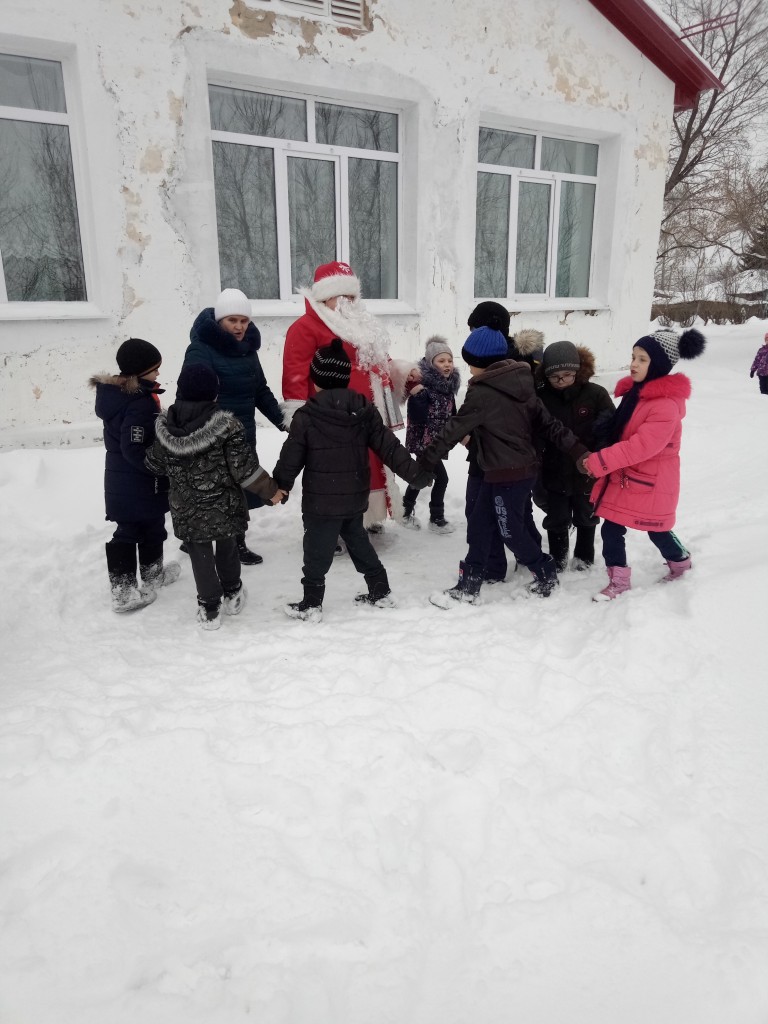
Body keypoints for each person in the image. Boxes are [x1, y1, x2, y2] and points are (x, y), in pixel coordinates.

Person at [418, 327, 589, 606]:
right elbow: (550, 425)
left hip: (512, 474)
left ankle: (545, 573)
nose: (468, 368)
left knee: (510, 530)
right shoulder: (521, 382)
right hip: (500, 471)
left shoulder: (482, 393)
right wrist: (578, 449)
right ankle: (469, 584)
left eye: (470, 362)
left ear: (479, 362)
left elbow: (452, 430)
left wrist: (426, 460)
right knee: (480, 525)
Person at [273, 338, 432, 622]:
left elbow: (290, 458)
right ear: (346, 378)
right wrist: (415, 474)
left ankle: (311, 604)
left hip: (321, 502)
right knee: (358, 542)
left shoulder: (306, 416)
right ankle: (380, 590)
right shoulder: (364, 410)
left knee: (316, 552)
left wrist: (280, 486)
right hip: (355, 496)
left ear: (315, 380)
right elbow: (389, 447)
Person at [145, 364, 286, 630]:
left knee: (199, 554)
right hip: (224, 505)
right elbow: (244, 469)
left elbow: (154, 463)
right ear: (214, 394)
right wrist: (271, 491)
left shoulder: (165, 428)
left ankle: (209, 607)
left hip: (186, 508)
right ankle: (232, 593)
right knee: (227, 546)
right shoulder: (227, 427)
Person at [581, 327, 706, 601]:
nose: (634, 364)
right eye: (633, 357)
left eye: (642, 359)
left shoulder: (665, 405)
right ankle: (618, 581)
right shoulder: (636, 394)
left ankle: (680, 563)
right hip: (628, 477)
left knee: (657, 528)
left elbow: (641, 446)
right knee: (611, 528)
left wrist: (601, 461)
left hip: (651, 481)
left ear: (658, 365)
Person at [281, 261, 404, 530]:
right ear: (325, 297)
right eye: (341, 295)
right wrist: (298, 415)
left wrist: (403, 373)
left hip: (366, 413)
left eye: (351, 296)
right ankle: (333, 527)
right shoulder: (305, 327)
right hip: (330, 418)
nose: (348, 302)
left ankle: (366, 515)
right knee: (336, 471)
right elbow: (295, 373)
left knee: (368, 462)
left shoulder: (361, 325)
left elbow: (378, 359)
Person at [183, 288, 285, 565]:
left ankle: (235, 542)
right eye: (232, 320)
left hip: (243, 432)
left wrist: (283, 420)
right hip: (211, 434)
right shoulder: (201, 349)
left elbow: (260, 390)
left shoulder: (248, 350)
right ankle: (202, 538)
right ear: (219, 321)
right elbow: (191, 394)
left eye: (244, 320)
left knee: (239, 489)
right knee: (214, 490)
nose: (240, 327)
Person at [90, 338, 180, 613]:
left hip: (129, 479)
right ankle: (123, 591)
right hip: (135, 480)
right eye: (154, 369)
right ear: (140, 372)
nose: (158, 373)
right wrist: (157, 467)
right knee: (128, 531)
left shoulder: (123, 396)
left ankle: (153, 575)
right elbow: (133, 447)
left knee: (153, 525)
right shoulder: (139, 403)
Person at [464, 302, 543, 581]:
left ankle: (519, 561)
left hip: (501, 455)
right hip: (496, 452)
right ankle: (509, 561)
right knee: (504, 512)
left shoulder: (505, 366)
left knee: (496, 513)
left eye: (474, 328)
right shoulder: (492, 360)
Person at [534, 340, 614, 570]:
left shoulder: (595, 394)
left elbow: (609, 428)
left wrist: (599, 458)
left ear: (579, 370)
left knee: (586, 514)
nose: (561, 381)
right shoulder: (541, 398)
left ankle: (584, 559)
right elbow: (535, 432)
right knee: (556, 517)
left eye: (567, 375)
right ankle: (558, 560)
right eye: (554, 377)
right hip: (553, 469)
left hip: (587, 470)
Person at [401, 335, 461, 534]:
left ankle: (405, 511)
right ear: (430, 363)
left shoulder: (447, 388)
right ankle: (436, 518)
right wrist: (417, 395)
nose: (447, 365)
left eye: (450, 360)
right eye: (441, 361)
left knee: (420, 476)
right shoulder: (423, 388)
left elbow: (452, 415)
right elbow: (417, 418)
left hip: (438, 443)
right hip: (424, 444)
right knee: (440, 479)